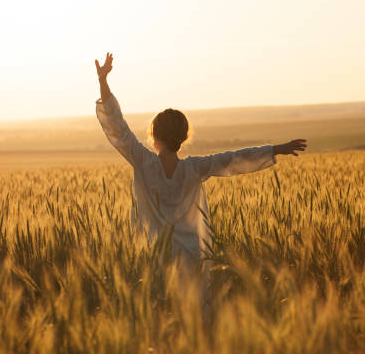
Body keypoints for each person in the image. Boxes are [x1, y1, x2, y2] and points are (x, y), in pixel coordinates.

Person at [95, 52, 307, 275]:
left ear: (154, 136)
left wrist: (103, 82)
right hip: (192, 258)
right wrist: (275, 149)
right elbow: (235, 158)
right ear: (184, 137)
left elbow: (117, 126)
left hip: (156, 259)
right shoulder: (194, 168)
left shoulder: (143, 162)